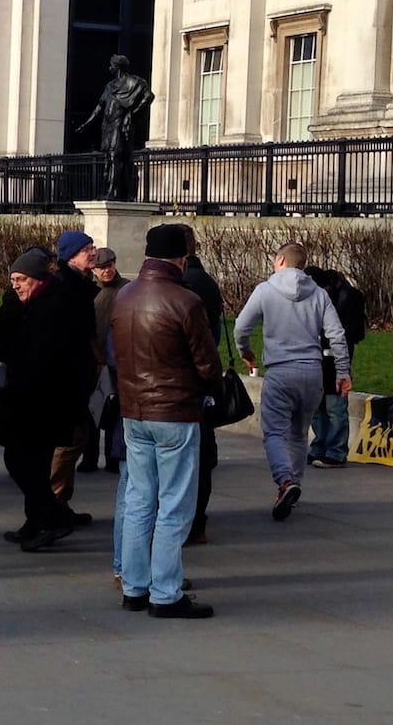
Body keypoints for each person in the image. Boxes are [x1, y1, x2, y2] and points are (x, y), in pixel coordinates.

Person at [110, 224, 222, 618]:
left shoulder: (123, 296)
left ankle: (135, 586)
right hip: (174, 410)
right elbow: (208, 363)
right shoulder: (185, 301)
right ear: (181, 258)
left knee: (140, 498)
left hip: (134, 409)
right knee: (174, 503)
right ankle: (165, 592)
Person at [234, 243, 351, 520]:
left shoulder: (265, 290)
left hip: (280, 370)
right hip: (312, 372)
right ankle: (293, 485)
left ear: (281, 260)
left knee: (274, 432)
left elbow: (241, 326)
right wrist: (343, 372)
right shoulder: (320, 295)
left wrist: (245, 351)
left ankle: (285, 481)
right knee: (299, 433)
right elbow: (337, 335)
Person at [0, 248, 90, 552]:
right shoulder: (36, 303)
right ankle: (38, 519)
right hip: (35, 400)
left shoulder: (53, 308)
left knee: (22, 460)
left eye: (21, 279)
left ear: (37, 278)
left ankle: (52, 516)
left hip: (44, 402)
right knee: (29, 461)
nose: (16, 285)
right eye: (12, 280)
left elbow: (44, 360)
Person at [175, 224, 224, 545]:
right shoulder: (207, 282)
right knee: (202, 456)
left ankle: (186, 522)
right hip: (202, 381)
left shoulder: (180, 286)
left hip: (177, 383)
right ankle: (198, 520)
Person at [49, 230, 101, 522]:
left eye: (92, 248)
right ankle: (53, 500)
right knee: (70, 438)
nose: (92, 253)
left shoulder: (79, 283)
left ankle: (59, 501)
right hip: (68, 375)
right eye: (86, 250)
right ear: (71, 256)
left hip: (78, 372)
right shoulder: (66, 288)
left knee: (76, 437)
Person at [305, 266, 367, 469]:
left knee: (334, 406)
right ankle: (320, 447)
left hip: (335, 357)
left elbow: (347, 334)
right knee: (318, 406)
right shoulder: (325, 293)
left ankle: (335, 451)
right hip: (319, 357)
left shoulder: (347, 298)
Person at [75, 54, 155, 201]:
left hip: (120, 123)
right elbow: (100, 107)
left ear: (117, 67)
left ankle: (114, 191)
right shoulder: (110, 86)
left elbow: (148, 96)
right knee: (109, 158)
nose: (109, 68)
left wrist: (132, 113)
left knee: (116, 157)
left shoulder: (135, 82)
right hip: (107, 125)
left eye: (111, 65)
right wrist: (87, 123)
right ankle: (110, 190)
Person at [90, 246, 126, 474]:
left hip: (118, 358)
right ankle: (89, 457)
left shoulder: (126, 289)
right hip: (94, 357)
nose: (106, 271)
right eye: (101, 267)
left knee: (116, 410)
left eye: (109, 265)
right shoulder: (90, 292)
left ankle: (114, 456)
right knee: (93, 408)